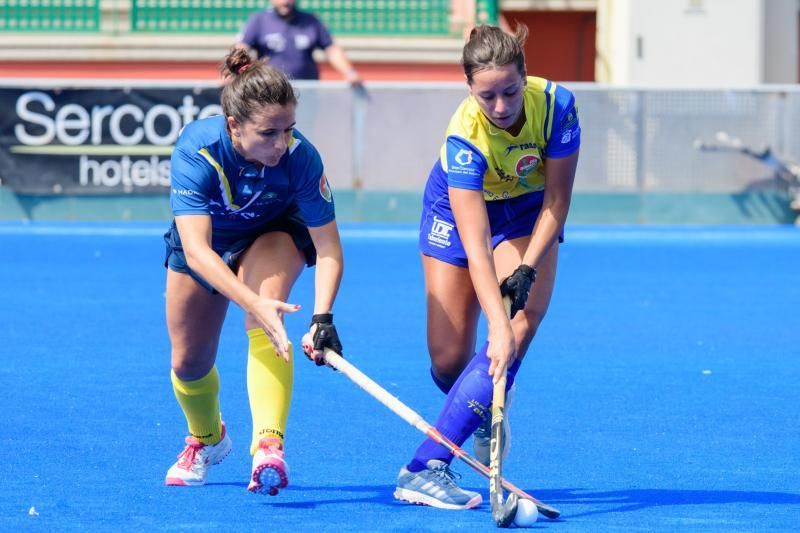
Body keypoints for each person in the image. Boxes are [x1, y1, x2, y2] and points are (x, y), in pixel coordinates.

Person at [393, 24, 581, 510]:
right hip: (457, 212)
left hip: (527, 210)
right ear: (469, 89)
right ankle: (481, 407)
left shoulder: (556, 105)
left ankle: (424, 467)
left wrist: (527, 269)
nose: (500, 107)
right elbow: (476, 244)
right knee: (450, 360)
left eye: (510, 92)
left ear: (525, 75)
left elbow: (558, 199)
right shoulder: (465, 138)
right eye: (487, 96)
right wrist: (494, 323)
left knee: (522, 324)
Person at [162, 47, 344, 496]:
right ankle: (207, 440)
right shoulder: (196, 150)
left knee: (266, 317)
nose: (281, 145)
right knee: (188, 363)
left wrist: (322, 318)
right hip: (209, 243)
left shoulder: (301, 158)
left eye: (288, 130)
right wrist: (251, 299)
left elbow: (329, 247)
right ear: (233, 126)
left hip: (275, 231)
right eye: (268, 134)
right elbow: (198, 250)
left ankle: (268, 444)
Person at [236, 0, 362, 86]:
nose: (285, 2)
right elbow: (242, 48)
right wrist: (233, 72)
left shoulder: (310, 21)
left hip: (306, 91)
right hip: (269, 91)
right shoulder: (259, 20)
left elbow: (331, 49)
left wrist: (349, 73)